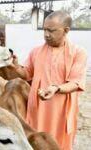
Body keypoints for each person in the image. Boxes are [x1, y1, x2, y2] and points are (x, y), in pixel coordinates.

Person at [10, 10, 87, 150]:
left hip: (62, 111)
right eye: (44, 30)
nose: (46, 34)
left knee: (59, 144)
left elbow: (76, 83)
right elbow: (27, 74)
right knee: (35, 142)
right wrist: (16, 66)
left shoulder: (78, 52)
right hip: (38, 109)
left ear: (66, 30)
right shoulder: (36, 51)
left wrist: (56, 88)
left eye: (51, 31)